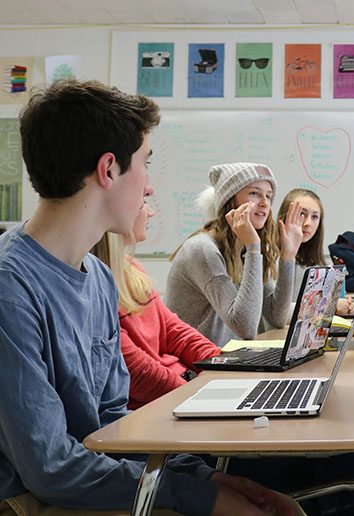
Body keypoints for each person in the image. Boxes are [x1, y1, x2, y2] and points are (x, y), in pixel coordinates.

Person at [0, 80, 296, 515]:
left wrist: (202, 476)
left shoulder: (99, 277)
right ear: (108, 169)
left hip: (97, 475)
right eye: (145, 164)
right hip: (34, 498)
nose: (150, 188)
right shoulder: (11, 287)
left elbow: (117, 425)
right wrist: (196, 496)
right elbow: (51, 467)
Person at [91, 201, 221, 409]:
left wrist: (222, 363)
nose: (151, 212)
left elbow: (174, 331)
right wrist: (195, 397)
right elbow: (136, 372)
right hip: (152, 406)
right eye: (142, 203)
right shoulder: (95, 287)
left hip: (182, 387)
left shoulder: (131, 268)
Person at [167, 163, 305, 347]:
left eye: (269, 196)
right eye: (254, 193)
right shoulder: (202, 249)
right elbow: (246, 327)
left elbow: (276, 317)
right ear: (230, 200)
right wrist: (253, 248)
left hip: (226, 361)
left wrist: (288, 257)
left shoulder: (243, 248)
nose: (265, 203)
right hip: (196, 370)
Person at [277, 188, 353, 315]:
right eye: (301, 214)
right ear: (285, 216)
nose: (308, 223)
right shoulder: (270, 258)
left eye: (315, 217)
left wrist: (340, 303)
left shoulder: (315, 261)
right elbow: (277, 313)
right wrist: (329, 307)